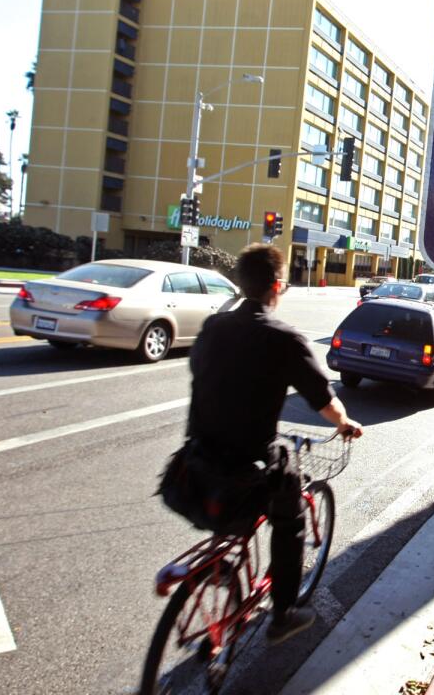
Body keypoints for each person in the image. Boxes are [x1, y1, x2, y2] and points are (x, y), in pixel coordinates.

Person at [183, 243, 362, 643]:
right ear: (277, 287)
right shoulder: (283, 337)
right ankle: (283, 612)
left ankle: (225, 562)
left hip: (196, 456)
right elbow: (323, 401)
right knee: (291, 514)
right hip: (247, 465)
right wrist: (346, 422)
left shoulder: (214, 326)